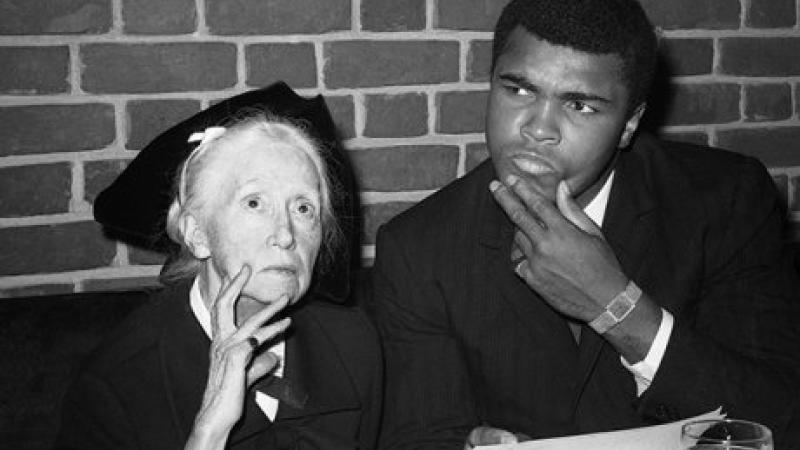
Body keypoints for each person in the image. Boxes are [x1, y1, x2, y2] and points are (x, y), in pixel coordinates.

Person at [370, 0, 800, 448]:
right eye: (518, 90)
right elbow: (419, 434)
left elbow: (777, 421)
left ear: (630, 123)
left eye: (579, 105)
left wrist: (614, 304)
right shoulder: (419, 248)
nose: (538, 129)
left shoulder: (724, 202)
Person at [56, 113, 382, 450]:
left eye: (304, 209)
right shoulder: (118, 385)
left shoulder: (352, 343)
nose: (286, 235)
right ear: (198, 234)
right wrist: (209, 435)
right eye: (255, 203)